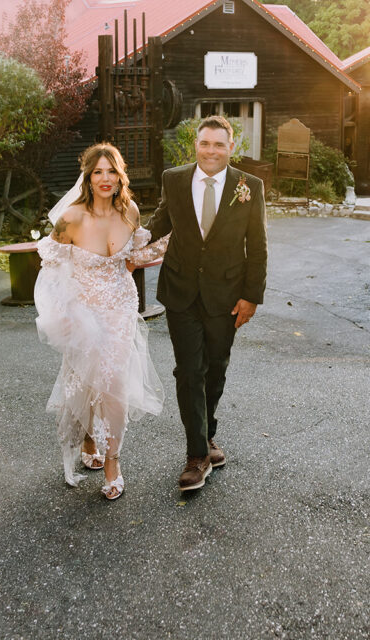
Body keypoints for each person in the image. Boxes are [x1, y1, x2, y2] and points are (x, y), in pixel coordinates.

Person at [34, 143, 166, 501]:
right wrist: (61, 313)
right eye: (98, 172)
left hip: (121, 308)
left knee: (115, 384)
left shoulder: (130, 213)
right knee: (87, 381)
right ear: (88, 178)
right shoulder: (73, 218)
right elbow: (51, 269)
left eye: (111, 171)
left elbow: (129, 261)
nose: (105, 178)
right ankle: (89, 439)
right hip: (83, 312)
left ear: (119, 175)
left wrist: (168, 244)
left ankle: (113, 460)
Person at [145, 115, 267, 492]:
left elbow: (258, 246)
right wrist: (127, 239)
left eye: (218, 144)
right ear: (195, 145)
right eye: (204, 144)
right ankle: (196, 455)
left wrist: (251, 297)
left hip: (226, 295)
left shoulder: (250, 187)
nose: (210, 151)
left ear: (231, 148)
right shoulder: (175, 179)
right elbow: (161, 221)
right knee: (189, 370)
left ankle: (208, 433)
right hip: (180, 290)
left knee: (215, 369)